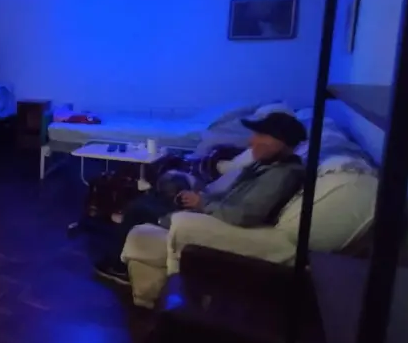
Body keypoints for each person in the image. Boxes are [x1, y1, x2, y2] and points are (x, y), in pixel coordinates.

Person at [93, 111, 308, 285]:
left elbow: (244, 214)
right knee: (160, 193)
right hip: (215, 209)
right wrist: (201, 196)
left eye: (261, 135)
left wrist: (201, 203)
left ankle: (118, 267)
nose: (252, 141)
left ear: (282, 142)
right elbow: (232, 193)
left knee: (137, 208)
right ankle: (114, 240)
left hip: (215, 221)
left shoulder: (283, 175)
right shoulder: (267, 165)